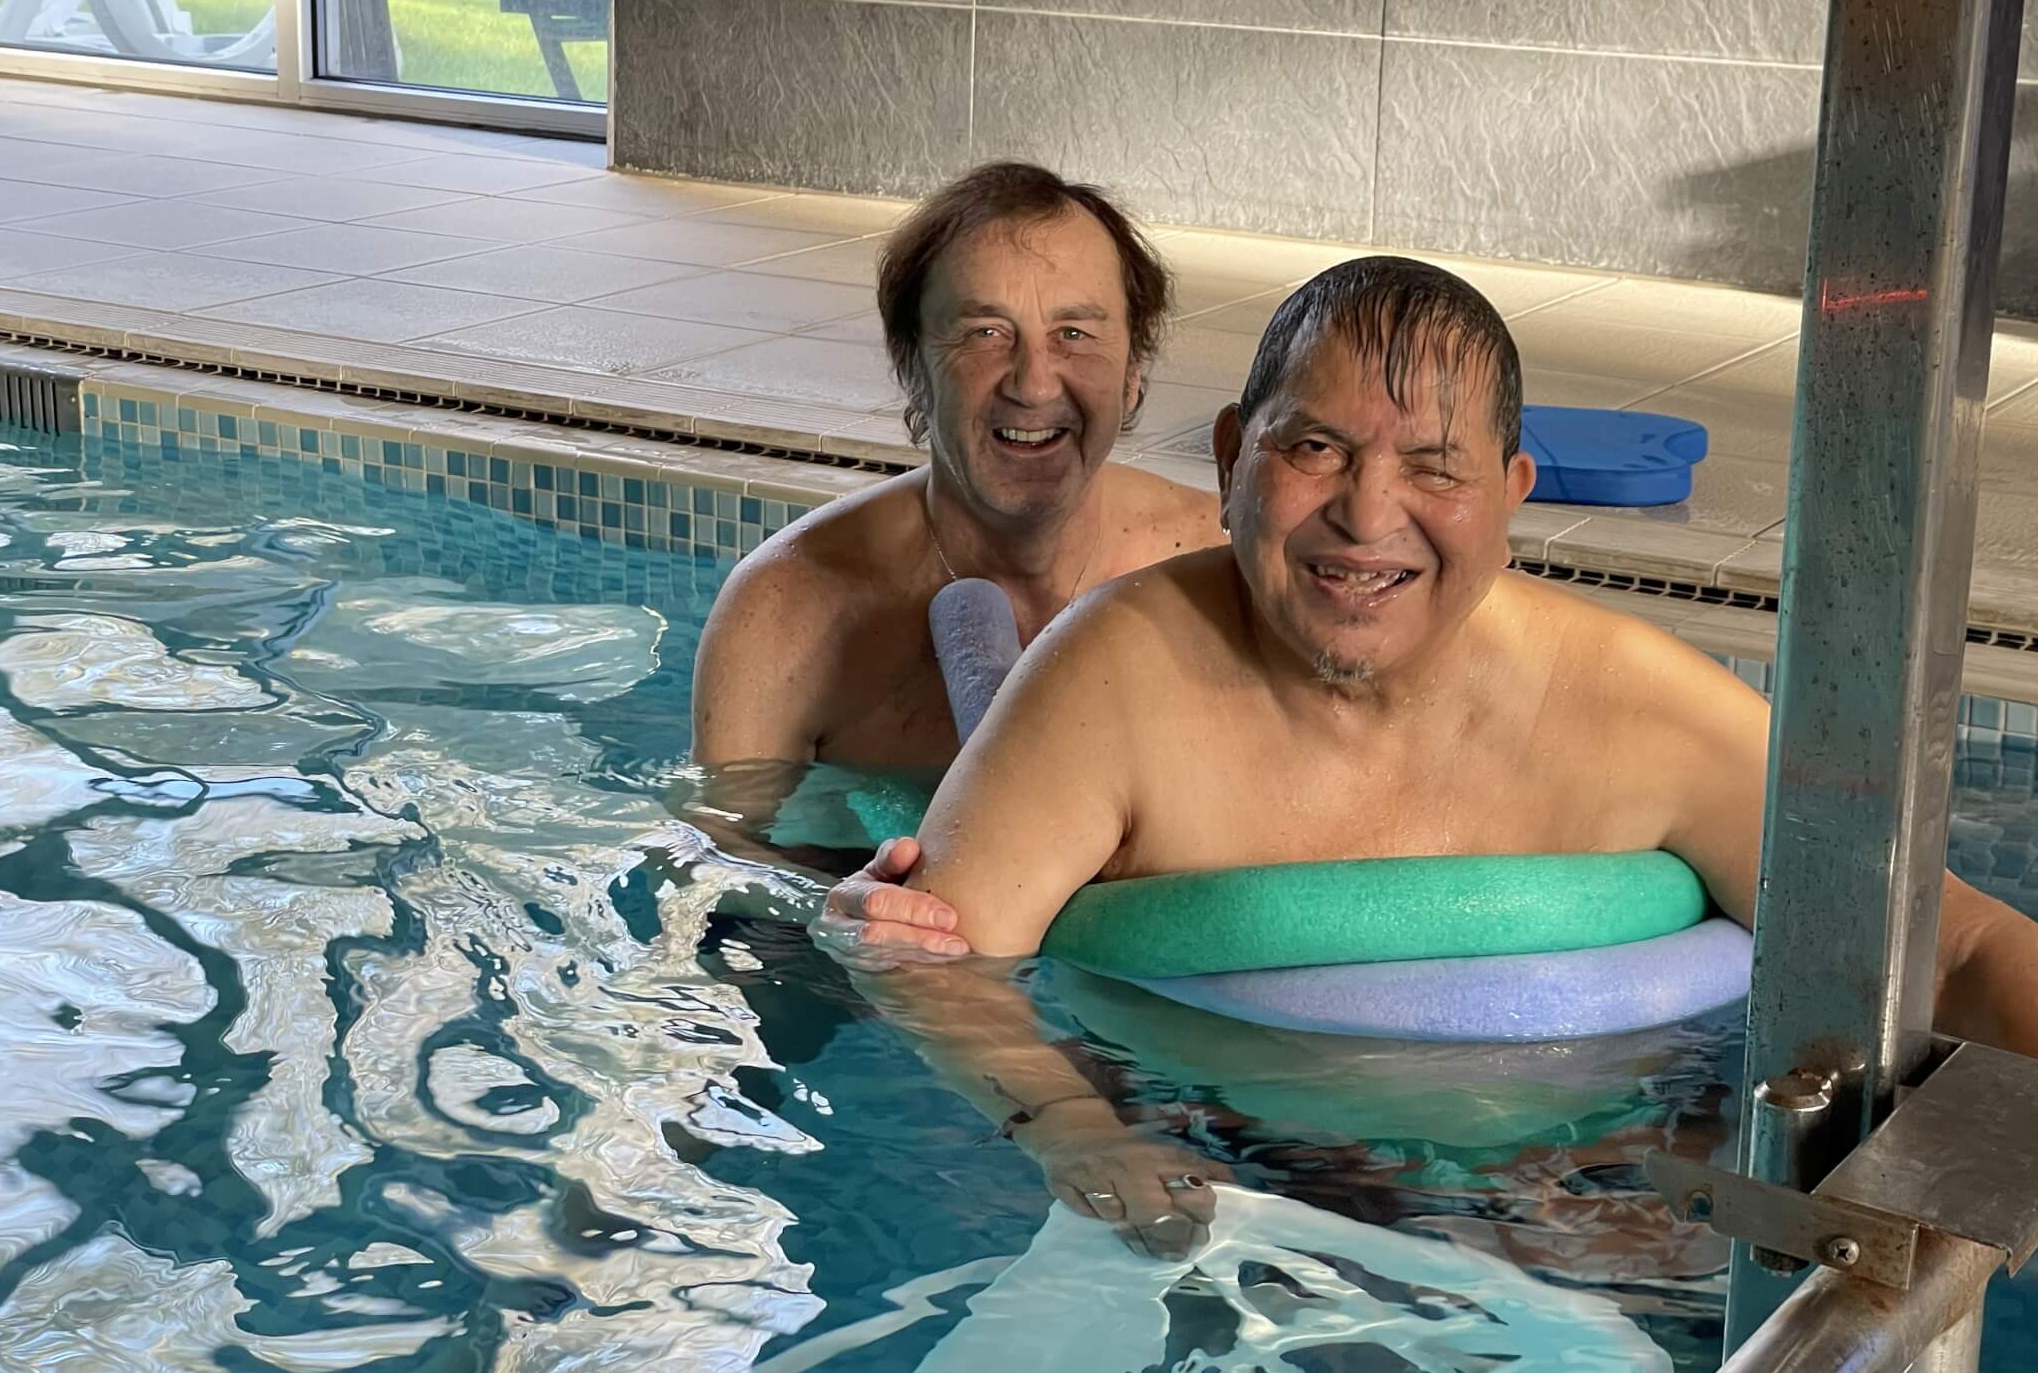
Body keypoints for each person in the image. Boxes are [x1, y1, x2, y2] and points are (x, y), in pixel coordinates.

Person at [832, 255, 2038, 1259]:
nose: (1366, 517)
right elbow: (935, 962)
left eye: (1433, 467)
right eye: (1314, 449)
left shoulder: (1631, 708)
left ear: (1510, 494)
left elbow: (1947, 947)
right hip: (1210, 1176)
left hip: (1589, 1197)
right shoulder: (1113, 677)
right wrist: (1073, 1130)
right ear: (1231, 459)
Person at [689, 161, 1223, 778]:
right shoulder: (786, 612)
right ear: (914, 369)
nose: (1033, 384)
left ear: (1133, 373)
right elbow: (728, 836)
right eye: (985, 333)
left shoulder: (1219, 569)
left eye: (1074, 333)